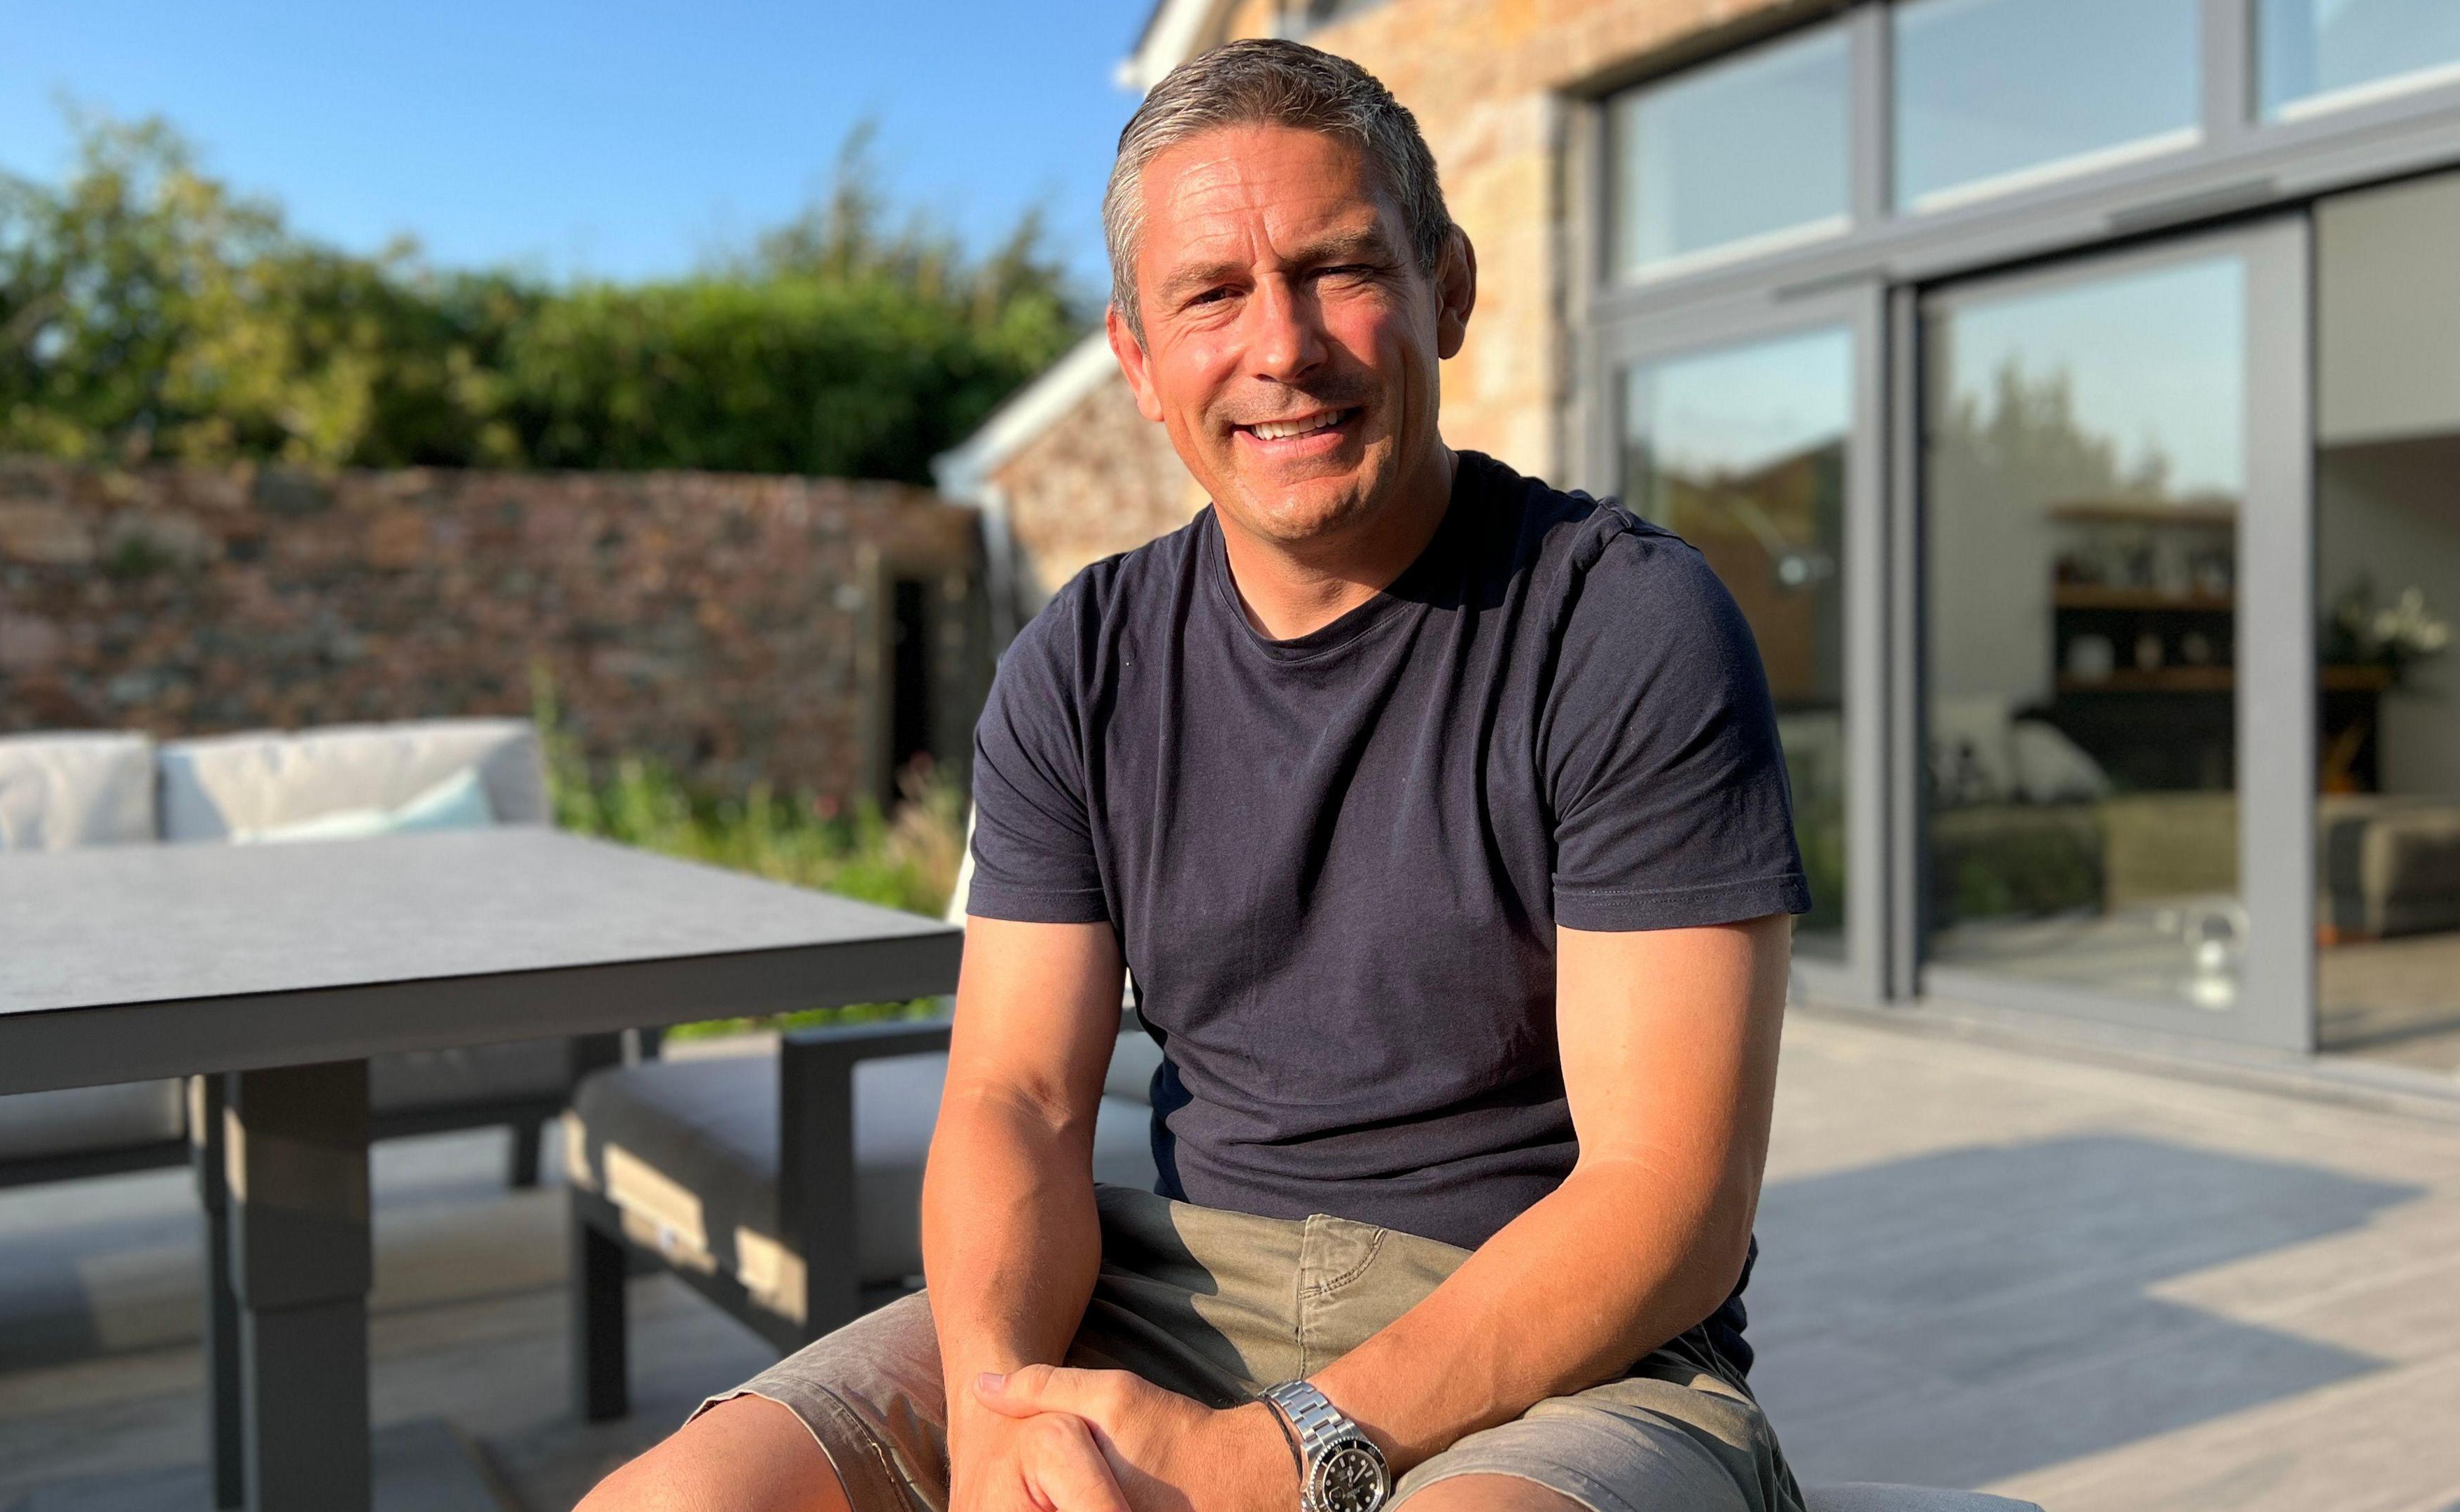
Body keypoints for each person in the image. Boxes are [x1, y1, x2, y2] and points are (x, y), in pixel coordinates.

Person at [580, 36, 1808, 1512]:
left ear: (1451, 289)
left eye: (1341, 270)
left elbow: (1668, 1195)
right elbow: (1019, 1103)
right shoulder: (1081, 661)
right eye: (1213, 294)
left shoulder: (1621, 622)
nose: (1282, 348)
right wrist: (990, 1424)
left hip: (1552, 1362)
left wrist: (1276, 1453)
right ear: (1141, 363)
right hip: (1165, 1291)